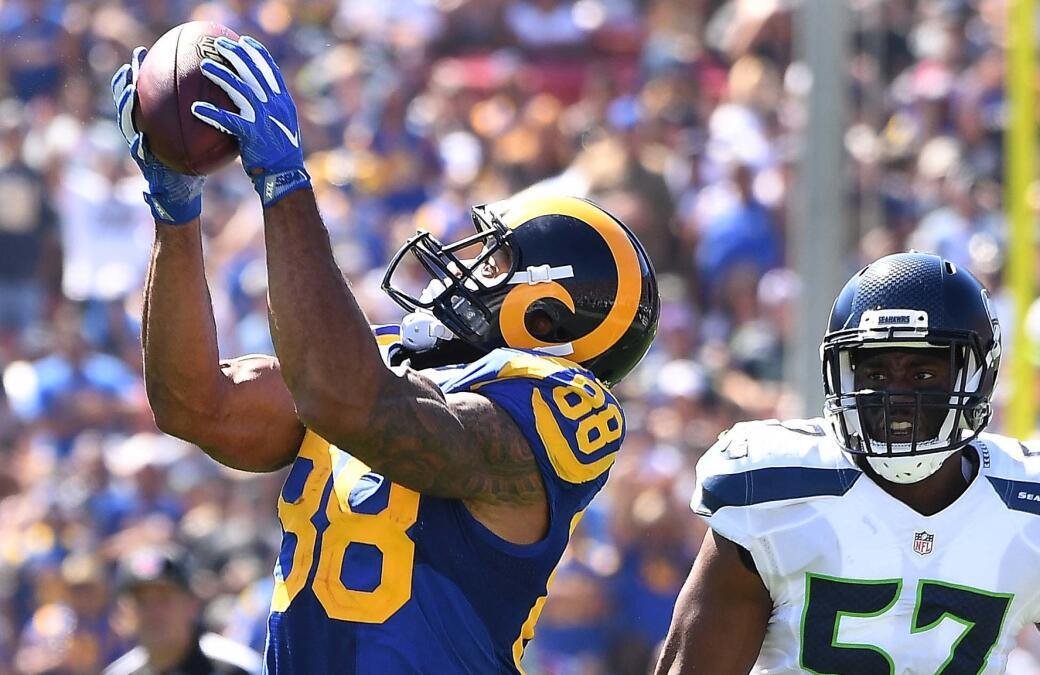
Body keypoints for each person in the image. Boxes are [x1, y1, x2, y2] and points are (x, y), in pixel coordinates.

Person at [110, 35, 659, 673]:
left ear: (548, 314)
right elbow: (194, 404)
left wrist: (285, 185)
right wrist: (175, 216)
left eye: (496, 258)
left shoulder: (564, 406)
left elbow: (354, 406)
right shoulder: (378, 362)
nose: (462, 265)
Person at [655, 252, 1040, 674]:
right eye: (875, 371)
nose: (897, 395)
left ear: (977, 376)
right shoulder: (771, 490)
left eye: (924, 371)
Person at [104, 547, 260, 675]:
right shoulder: (120, 672)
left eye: (164, 598)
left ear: (192, 603)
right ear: (123, 611)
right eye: (141, 601)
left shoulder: (237, 668)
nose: (153, 611)